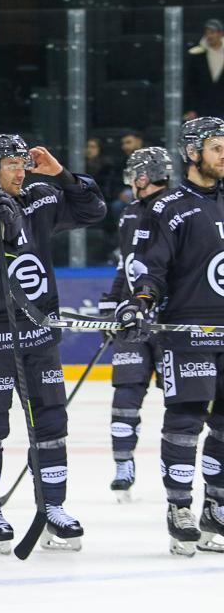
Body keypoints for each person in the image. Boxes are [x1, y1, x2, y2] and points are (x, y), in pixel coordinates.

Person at [0, 134, 106, 554]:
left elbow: (94, 210)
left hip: (37, 331)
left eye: (22, 163)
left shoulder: (39, 198)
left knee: (50, 422)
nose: (20, 172)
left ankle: (52, 507)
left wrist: (62, 174)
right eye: (11, 165)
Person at [116, 116, 224, 556]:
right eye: (217, 148)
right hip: (188, 331)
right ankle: (179, 508)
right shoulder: (170, 207)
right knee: (185, 421)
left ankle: (216, 507)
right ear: (193, 153)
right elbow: (151, 267)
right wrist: (141, 300)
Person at [96, 147, 172, 503]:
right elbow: (125, 265)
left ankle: (180, 472)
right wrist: (112, 303)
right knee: (125, 395)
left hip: (170, 322)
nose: (130, 179)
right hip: (132, 320)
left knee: (184, 403)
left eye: (133, 173)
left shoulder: (178, 208)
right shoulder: (128, 213)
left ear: (143, 176)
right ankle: (123, 465)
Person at [184, 19, 224, 120]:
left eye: (212, 32)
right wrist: (190, 109)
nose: (209, 36)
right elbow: (191, 84)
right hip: (202, 108)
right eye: (207, 33)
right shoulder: (197, 55)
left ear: (221, 34)